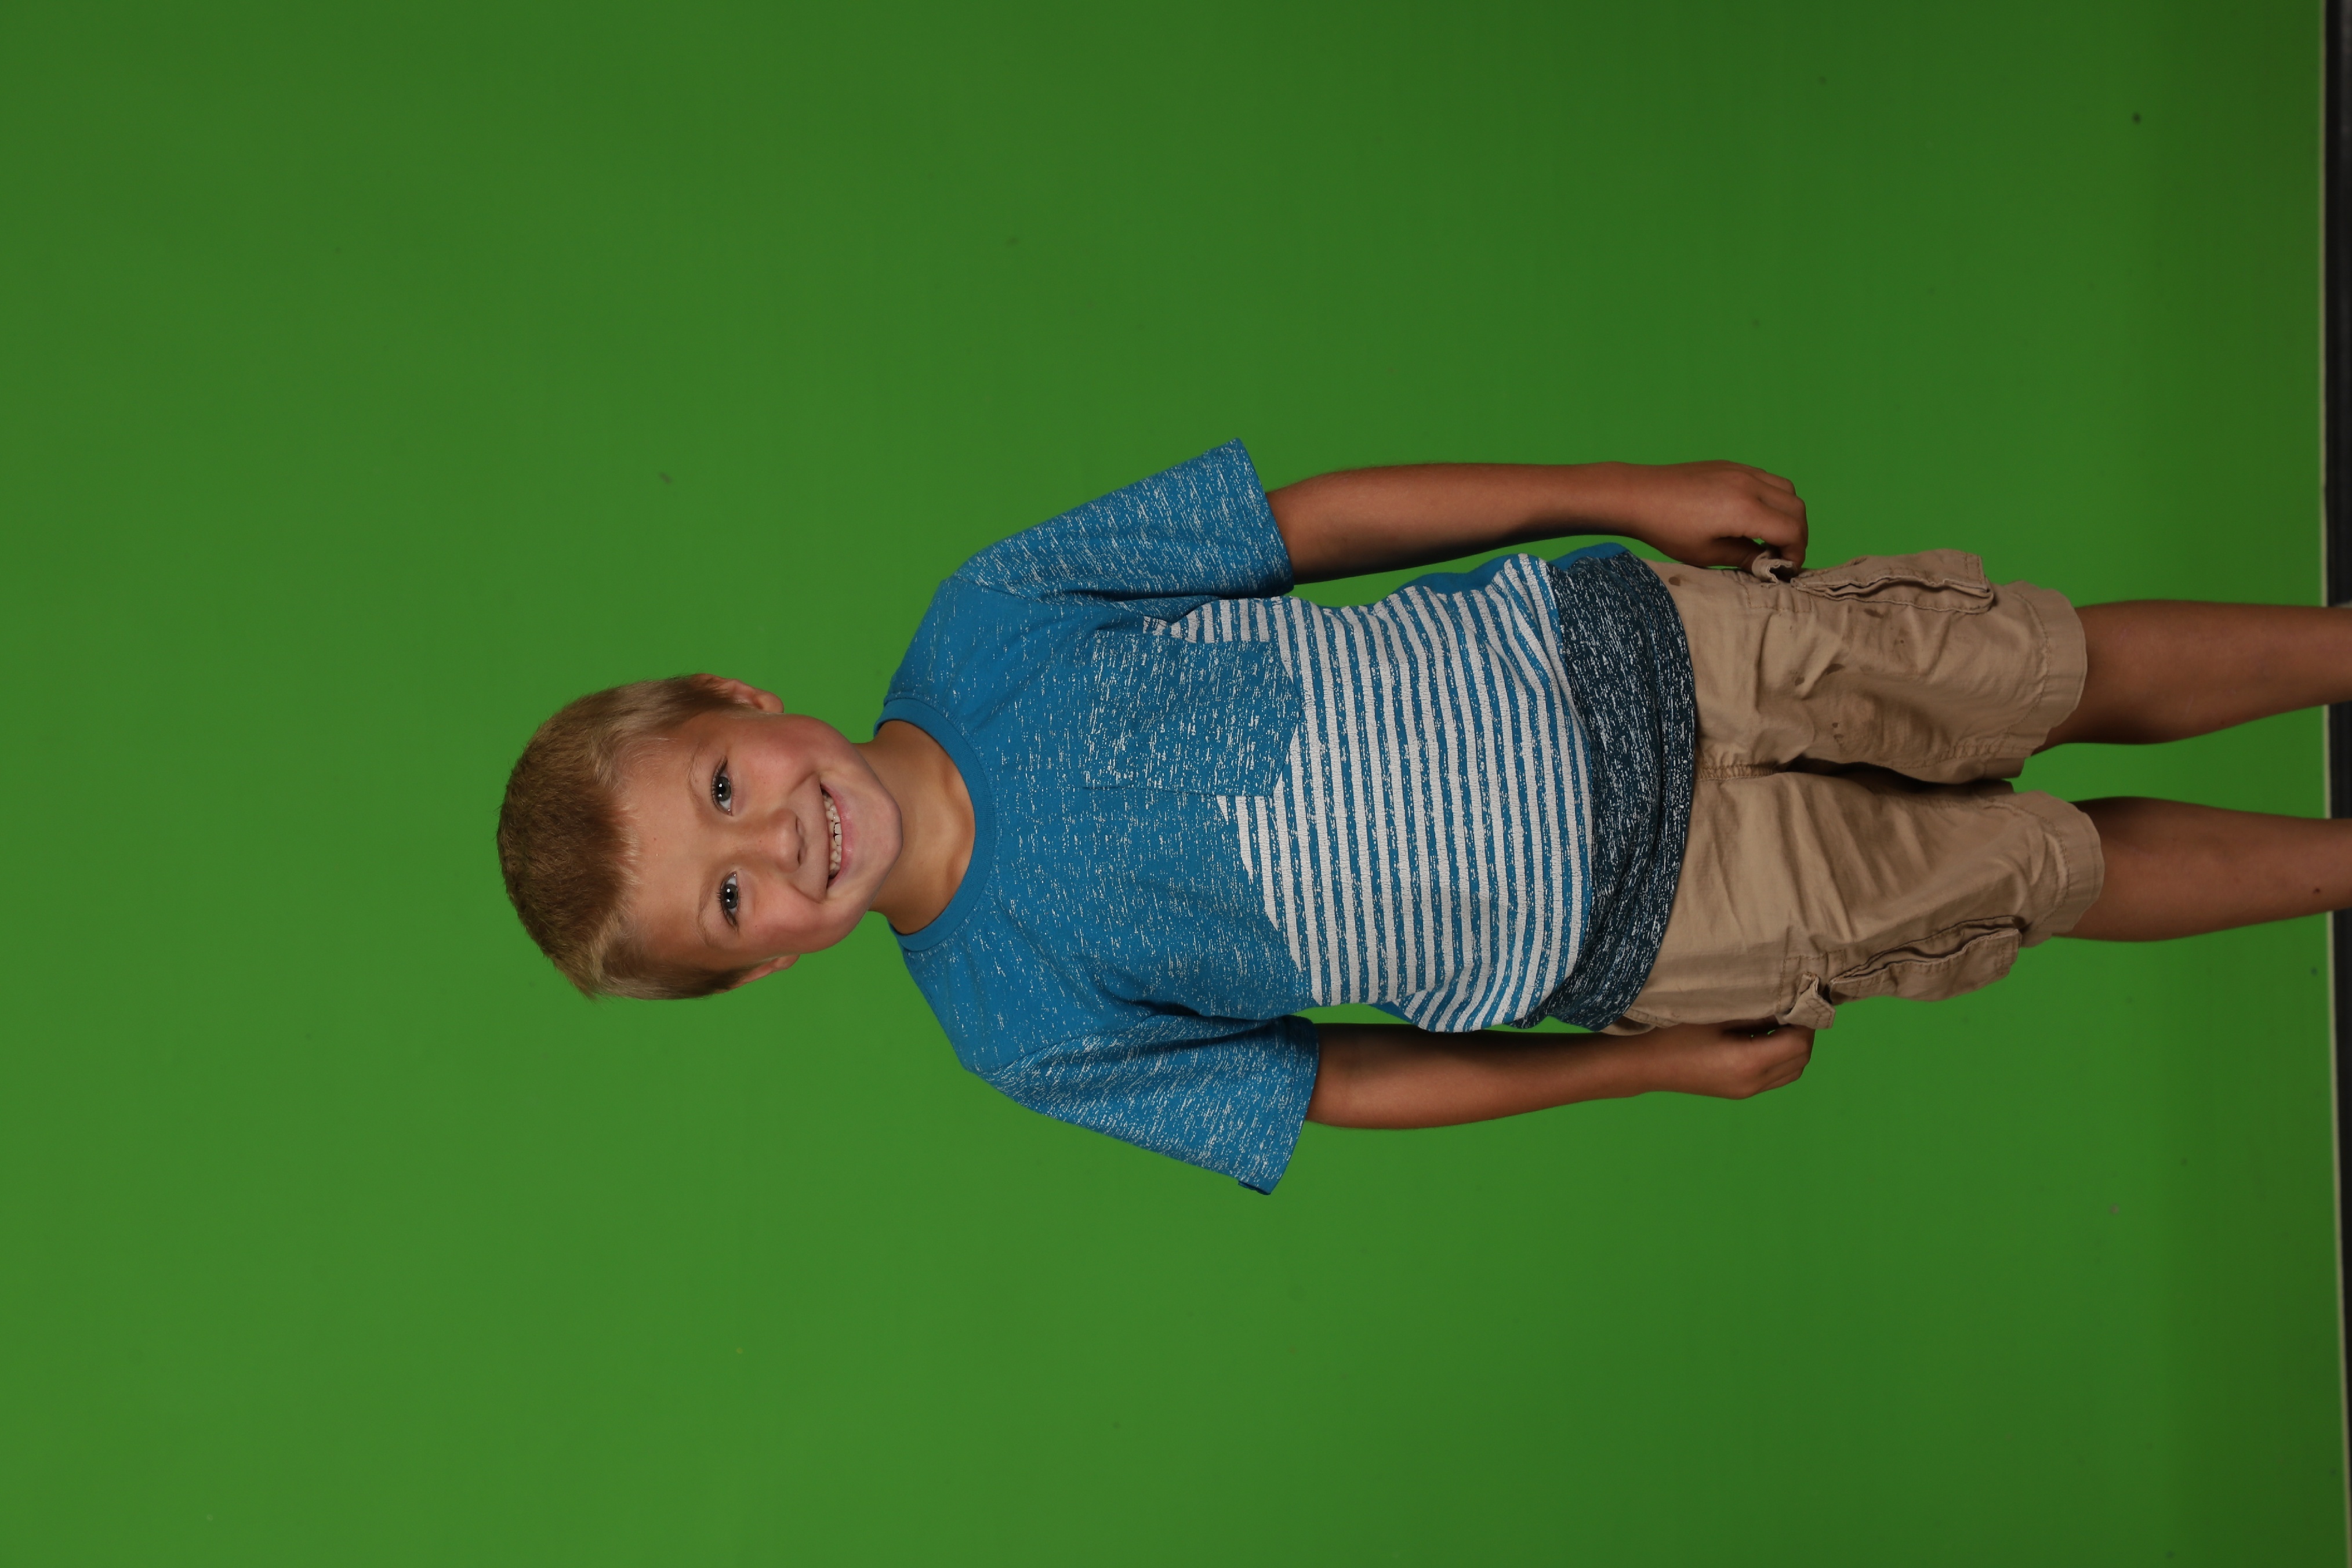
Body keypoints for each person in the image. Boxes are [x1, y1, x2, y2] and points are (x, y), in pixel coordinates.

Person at [496, 441, 2352, 1192]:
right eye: (730, 902)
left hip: (1645, 654)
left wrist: (1619, 490)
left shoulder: (993, 614)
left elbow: (1309, 526)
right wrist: (1648, 1068)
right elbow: (1337, 1082)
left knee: (2026, 671)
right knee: (2034, 867)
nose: (778, 844)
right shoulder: (1017, 1029)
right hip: (1654, 928)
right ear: (758, 972)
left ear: (744, 700)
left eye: (724, 791)